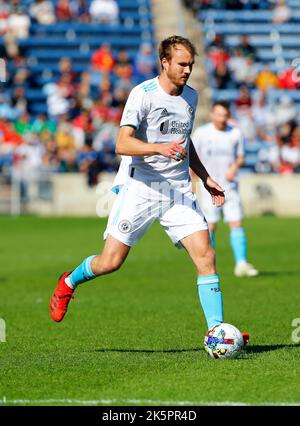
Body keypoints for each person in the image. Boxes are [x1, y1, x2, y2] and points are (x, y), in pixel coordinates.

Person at [49, 35, 249, 345]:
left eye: (191, 65)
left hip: (178, 190)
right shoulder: (142, 95)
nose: (187, 70)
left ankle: (216, 332)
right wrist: (159, 148)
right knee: (110, 262)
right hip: (140, 187)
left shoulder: (191, 97)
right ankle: (69, 281)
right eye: (182, 64)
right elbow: (121, 143)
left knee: (206, 255)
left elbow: (185, 140)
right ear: (165, 62)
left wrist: (206, 178)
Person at [192, 100, 258, 277]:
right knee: (210, 226)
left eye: (225, 115)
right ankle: (209, 264)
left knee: (236, 222)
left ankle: (241, 264)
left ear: (228, 116)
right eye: (218, 114)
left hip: (230, 186)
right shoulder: (201, 133)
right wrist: (193, 184)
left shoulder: (235, 133)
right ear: (212, 114)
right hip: (208, 188)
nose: (222, 118)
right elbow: (192, 159)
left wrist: (234, 168)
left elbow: (241, 157)